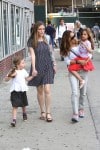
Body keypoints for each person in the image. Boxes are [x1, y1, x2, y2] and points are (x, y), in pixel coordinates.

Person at [60, 30, 94, 123]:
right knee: (75, 92)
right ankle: (75, 113)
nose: (74, 38)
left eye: (74, 36)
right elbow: (67, 62)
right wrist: (78, 61)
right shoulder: (65, 49)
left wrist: (86, 60)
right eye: (72, 37)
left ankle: (81, 109)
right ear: (67, 39)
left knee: (83, 92)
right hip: (73, 71)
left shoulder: (80, 43)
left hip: (83, 69)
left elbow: (90, 53)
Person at [27, 21, 57, 122]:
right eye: (40, 29)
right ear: (36, 30)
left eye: (43, 29)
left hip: (48, 65)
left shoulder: (47, 38)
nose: (42, 31)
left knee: (47, 90)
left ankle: (48, 113)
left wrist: (54, 64)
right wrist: (34, 69)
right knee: (40, 90)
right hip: (38, 66)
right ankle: (42, 111)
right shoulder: (31, 41)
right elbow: (33, 55)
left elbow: (51, 52)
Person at [5, 56, 34, 127]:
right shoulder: (13, 71)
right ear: (18, 64)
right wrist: (11, 75)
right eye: (23, 63)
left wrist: (33, 76)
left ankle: (24, 113)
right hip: (15, 91)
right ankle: (14, 120)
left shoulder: (23, 71)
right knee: (15, 105)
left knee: (23, 104)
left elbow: (27, 79)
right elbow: (6, 79)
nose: (24, 64)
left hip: (22, 90)